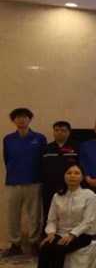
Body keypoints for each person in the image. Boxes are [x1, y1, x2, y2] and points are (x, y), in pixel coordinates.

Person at [33, 164, 94, 268]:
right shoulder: (57, 196)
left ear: (82, 177)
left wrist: (72, 235)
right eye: (69, 173)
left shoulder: (88, 195)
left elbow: (87, 221)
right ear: (64, 176)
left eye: (76, 173)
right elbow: (52, 220)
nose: (72, 176)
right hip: (60, 233)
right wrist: (50, 234)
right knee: (46, 246)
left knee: (57, 247)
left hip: (82, 235)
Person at [4, 108, 47, 256]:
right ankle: (15, 244)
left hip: (34, 182)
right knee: (13, 215)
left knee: (35, 215)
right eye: (18, 117)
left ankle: (34, 242)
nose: (21, 120)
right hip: (13, 182)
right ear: (13, 121)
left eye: (24, 117)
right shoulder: (8, 139)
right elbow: (7, 159)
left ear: (30, 119)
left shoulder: (39, 138)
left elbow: (43, 160)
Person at [40, 120, 79, 223]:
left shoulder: (76, 148)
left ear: (69, 132)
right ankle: (48, 232)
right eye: (56, 130)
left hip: (70, 187)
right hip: (49, 187)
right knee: (49, 212)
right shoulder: (46, 148)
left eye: (63, 130)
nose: (59, 132)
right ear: (53, 132)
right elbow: (40, 167)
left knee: (69, 213)